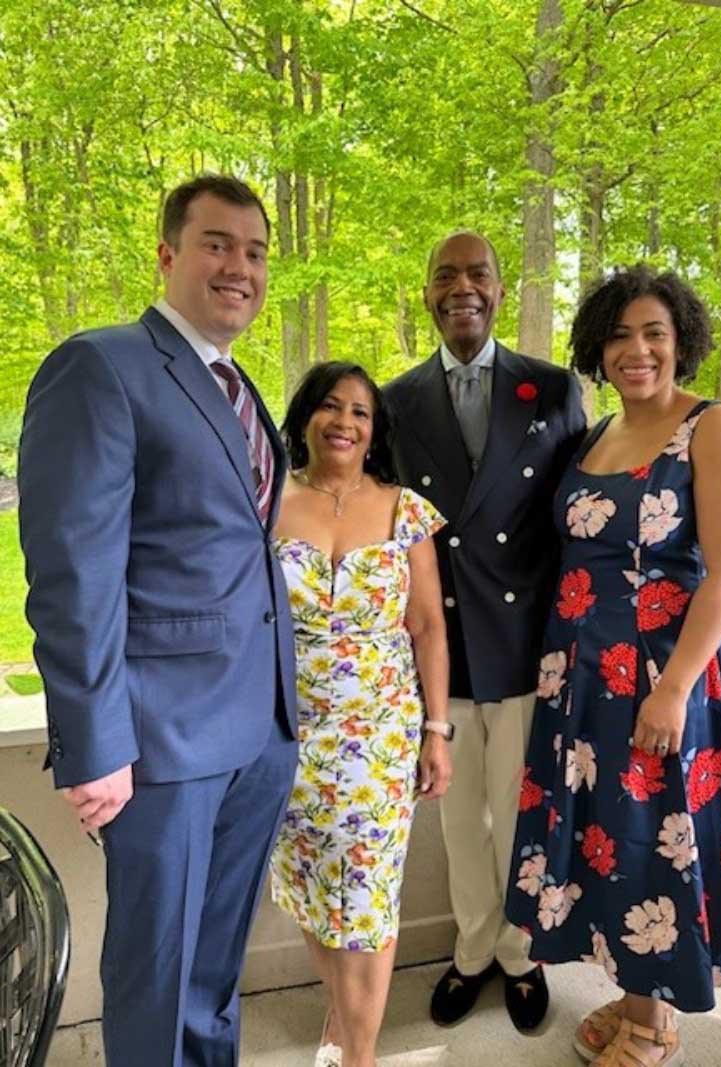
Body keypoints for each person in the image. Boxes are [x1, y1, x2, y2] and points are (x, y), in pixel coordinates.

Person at [18, 174, 298, 1066]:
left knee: (213, 973)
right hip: (162, 745)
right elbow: (74, 571)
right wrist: (95, 742)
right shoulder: (101, 367)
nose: (240, 267)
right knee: (157, 975)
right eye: (217, 244)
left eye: (255, 252)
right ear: (168, 254)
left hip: (259, 732)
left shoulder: (238, 385)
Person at [506, 266, 721, 1066]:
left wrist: (673, 689)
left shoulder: (712, 427)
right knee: (607, 840)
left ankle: (655, 1021)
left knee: (652, 837)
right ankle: (634, 994)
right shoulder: (598, 433)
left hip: (663, 675)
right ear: (597, 347)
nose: (637, 350)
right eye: (620, 335)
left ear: (681, 341)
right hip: (582, 681)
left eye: (654, 333)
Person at [383, 231, 586, 1033]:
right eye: (446, 275)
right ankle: (472, 951)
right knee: (460, 818)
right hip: (444, 645)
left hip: (529, 643)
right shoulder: (395, 400)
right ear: (427, 294)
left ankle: (520, 953)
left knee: (518, 812)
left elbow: (575, 515)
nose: (462, 287)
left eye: (478, 274)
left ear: (500, 290)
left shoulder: (553, 387)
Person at [269, 361, 452, 1067]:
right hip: (287, 734)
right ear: (305, 417)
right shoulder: (266, 502)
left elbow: (428, 627)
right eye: (330, 406)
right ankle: (344, 1017)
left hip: (381, 736)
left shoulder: (405, 510)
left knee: (368, 904)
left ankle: (360, 1056)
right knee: (314, 890)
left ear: (375, 431)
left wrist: (437, 731)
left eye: (360, 412)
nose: (344, 422)